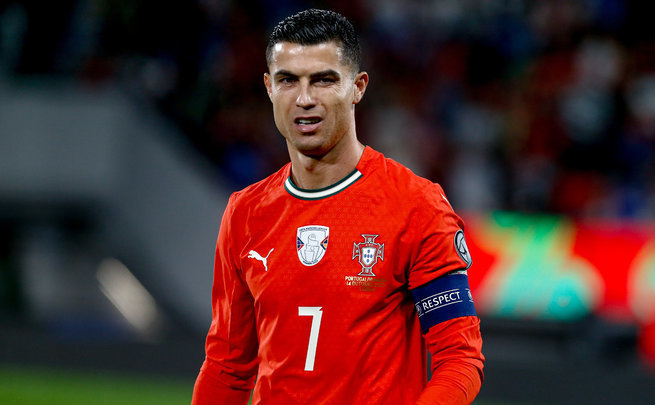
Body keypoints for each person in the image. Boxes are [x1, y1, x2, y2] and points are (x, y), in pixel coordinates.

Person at [192, 8, 484, 405]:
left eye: (324, 80)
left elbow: (459, 359)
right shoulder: (245, 212)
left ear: (358, 87)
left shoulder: (416, 205)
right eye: (288, 80)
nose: (305, 99)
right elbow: (226, 368)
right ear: (269, 87)